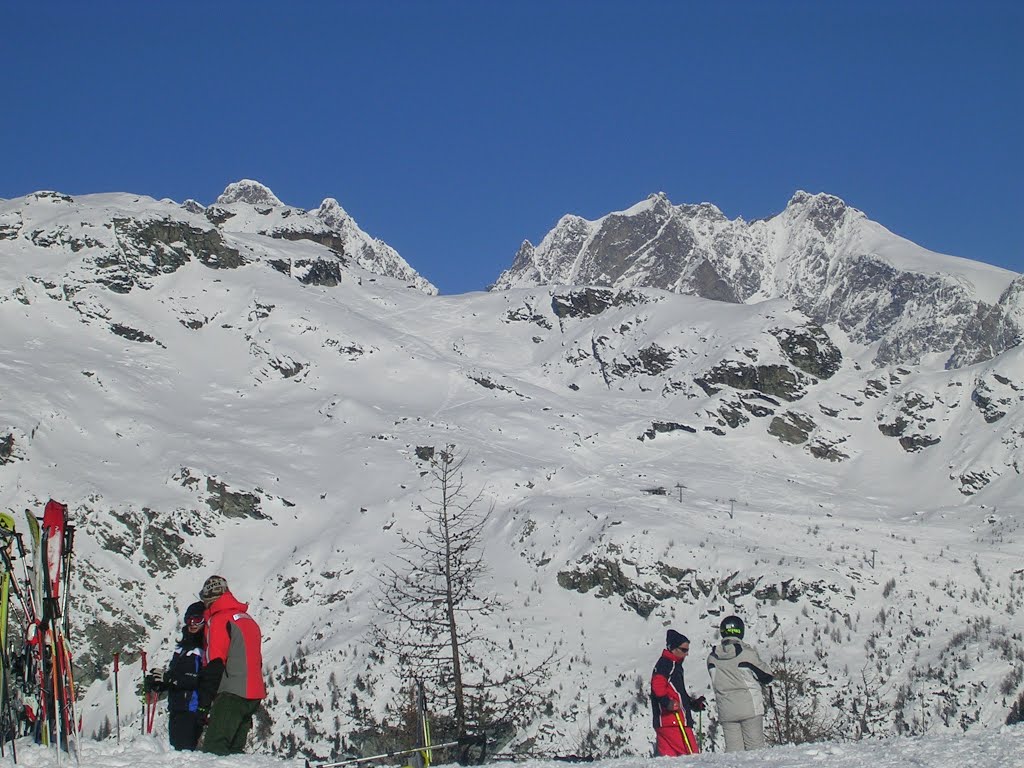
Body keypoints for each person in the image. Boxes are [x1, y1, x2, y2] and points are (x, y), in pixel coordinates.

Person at [196, 575, 267, 755]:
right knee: (235, 753)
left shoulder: (218, 620)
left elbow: (215, 664)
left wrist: (204, 703)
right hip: (254, 693)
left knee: (215, 749)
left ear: (208, 598)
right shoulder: (247, 619)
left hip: (231, 694)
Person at [706, 615, 774, 752]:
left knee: (734, 754)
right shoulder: (746, 654)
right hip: (750, 708)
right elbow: (767, 676)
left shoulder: (712, 658)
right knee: (755, 751)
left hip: (726, 710)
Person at [146, 601, 207, 750]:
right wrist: (160, 682)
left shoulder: (203, 650)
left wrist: (171, 679)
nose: (192, 624)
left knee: (185, 751)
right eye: (189, 620)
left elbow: (198, 678)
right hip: (176, 706)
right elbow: (176, 676)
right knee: (177, 750)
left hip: (191, 709)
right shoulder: (182, 649)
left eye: (197, 620)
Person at [650, 629, 706, 756]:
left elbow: (676, 692)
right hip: (675, 721)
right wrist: (667, 703)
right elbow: (657, 685)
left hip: (663, 723)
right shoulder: (668, 664)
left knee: (670, 762)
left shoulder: (670, 664)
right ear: (673, 648)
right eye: (683, 650)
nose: (686, 654)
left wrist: (692, 704)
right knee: (691, 757)